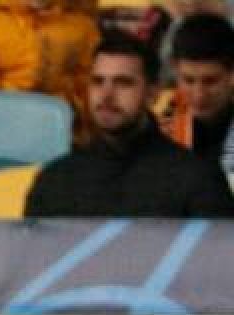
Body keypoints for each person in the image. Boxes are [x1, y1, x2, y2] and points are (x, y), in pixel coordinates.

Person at [26, 32, 234, 216]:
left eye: (123, 83)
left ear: (152, 93)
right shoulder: (55, 180)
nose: (106, 95)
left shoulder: (197, 181)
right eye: (98, 81)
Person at [0, 0, 101, 126]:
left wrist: (80, 112)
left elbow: (88, 78)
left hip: (60, 124)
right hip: (1, 119)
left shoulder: (80, 25)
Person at [156, 14, 234, 163]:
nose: (199, 95)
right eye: (188, 80)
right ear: (174, 69)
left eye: (210, 81)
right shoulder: (155, 125)